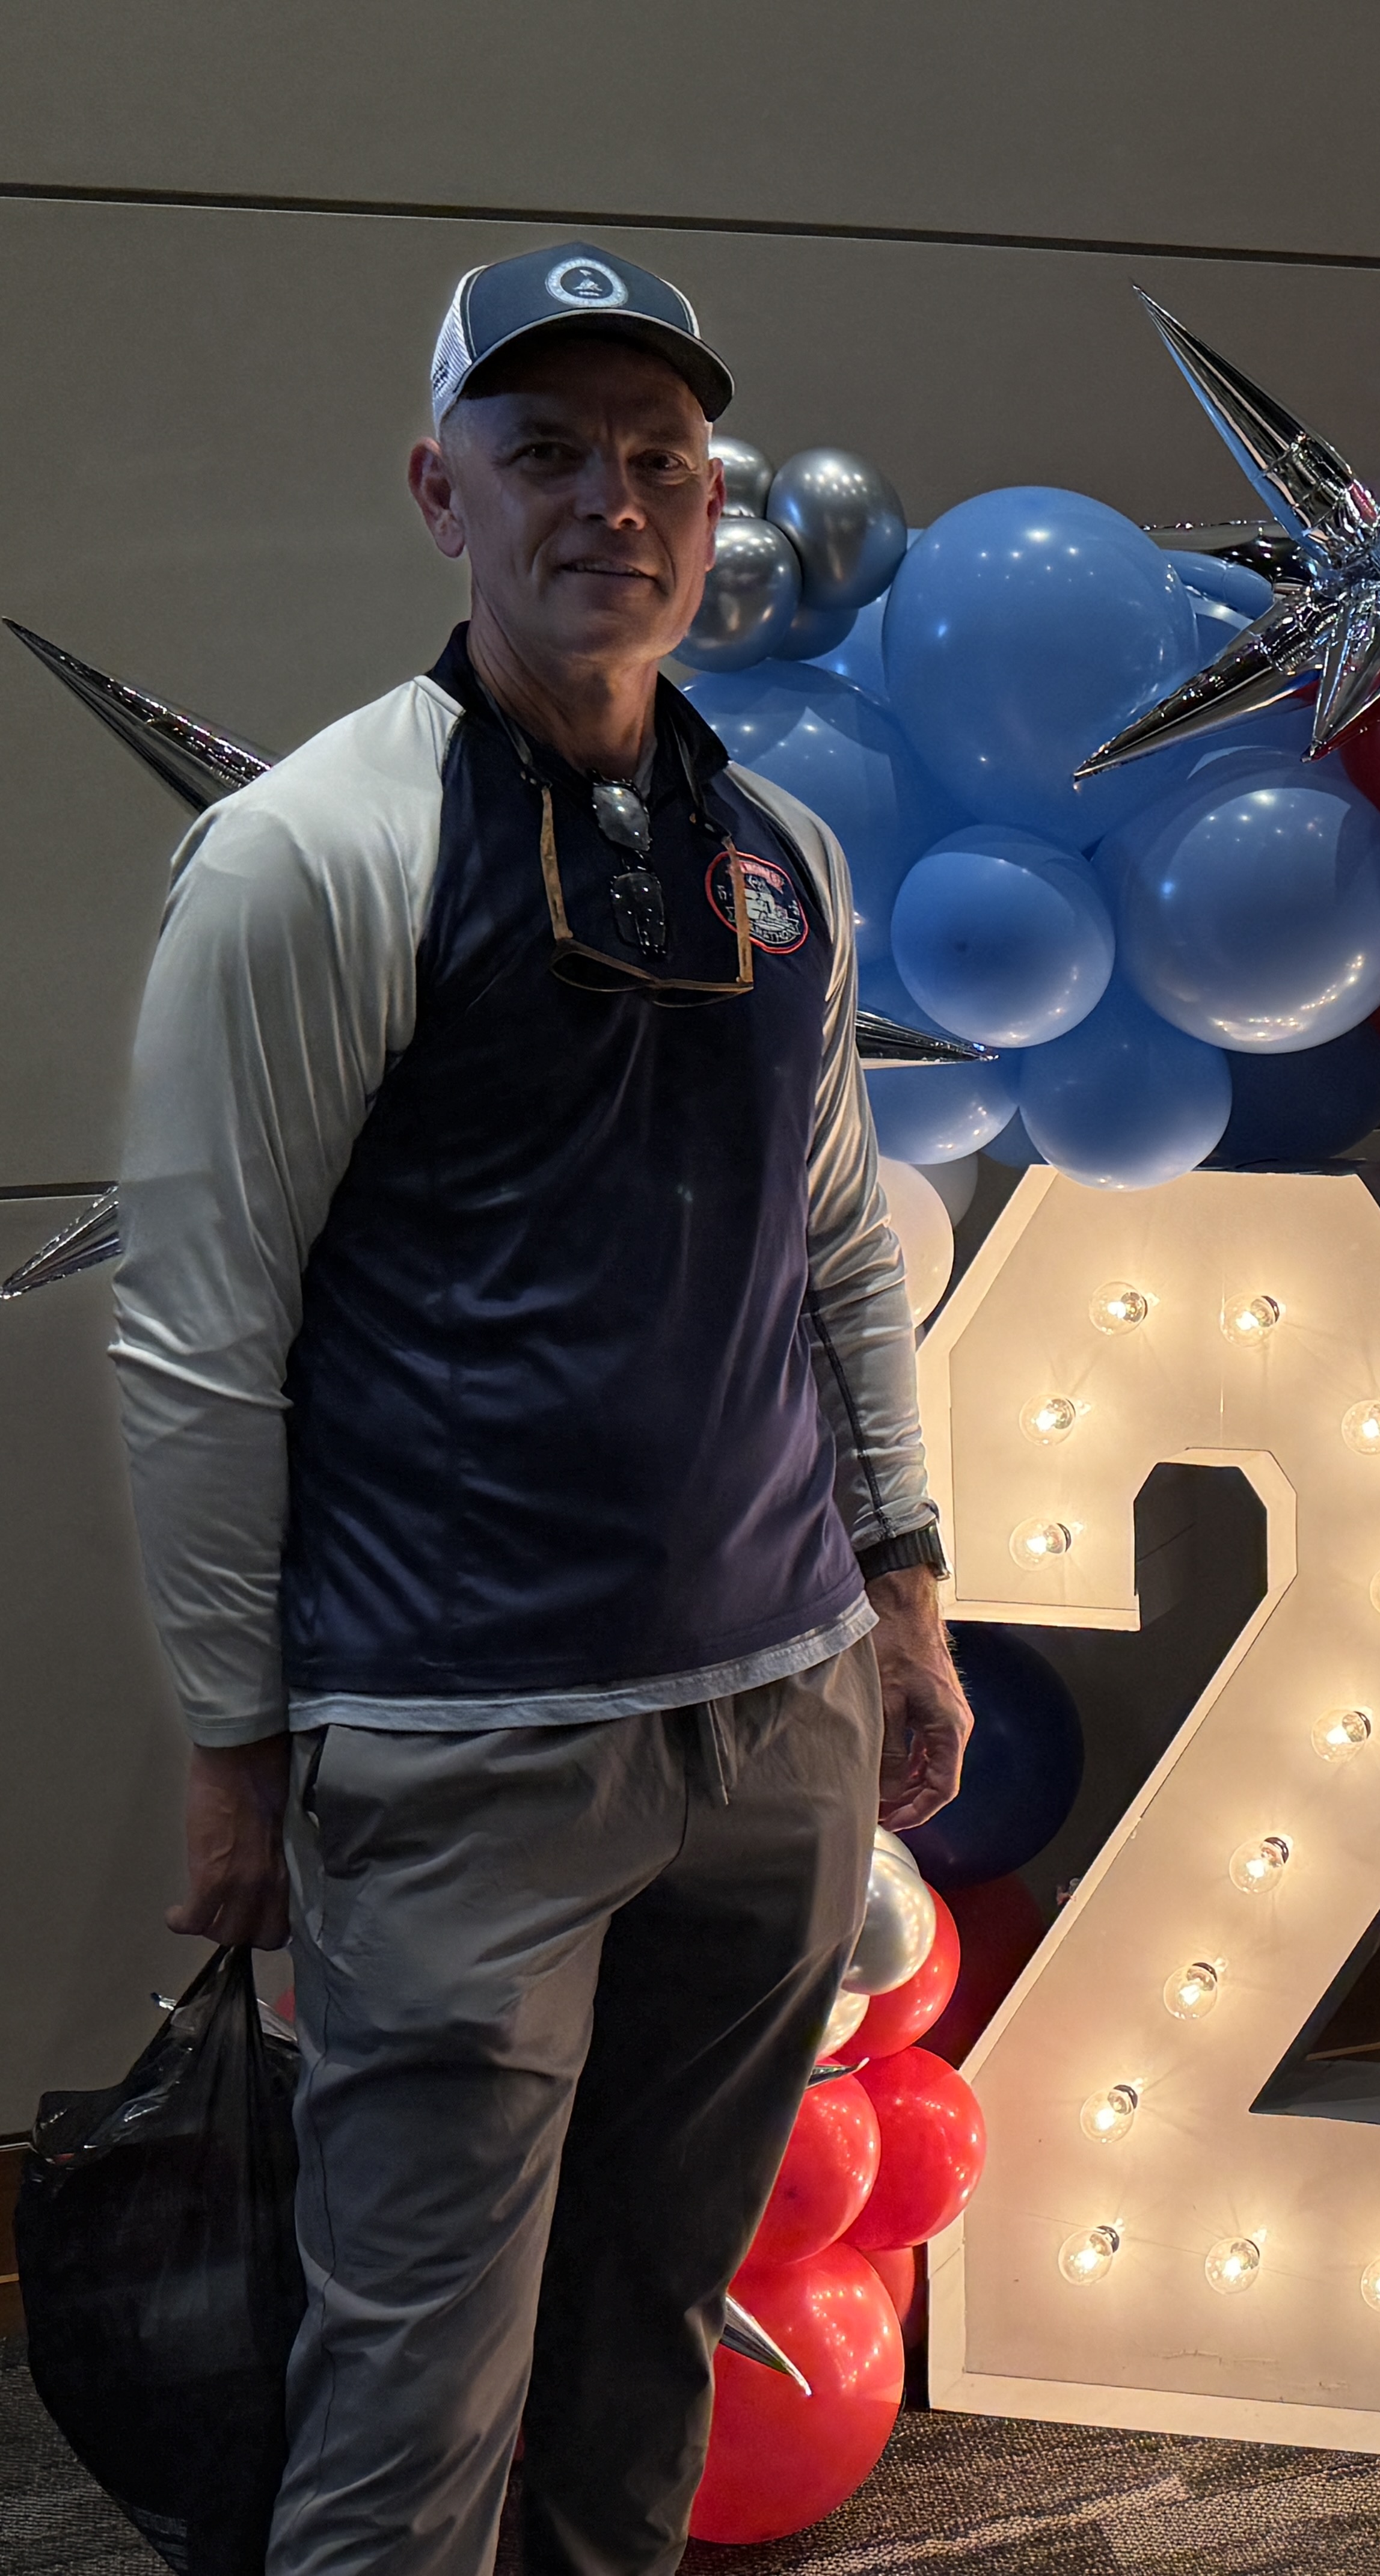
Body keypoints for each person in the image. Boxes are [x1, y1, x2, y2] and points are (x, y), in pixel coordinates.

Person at [109, 241, 972, 2576]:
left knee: (643, 2356)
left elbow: (838, 1248)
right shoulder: (314, 854)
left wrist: (903, 1593)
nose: (617, 500)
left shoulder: (779, 859)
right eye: (552, 451)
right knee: (410, 2415)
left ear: (713, 507)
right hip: (462, 1746)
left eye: (664, 460)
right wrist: (234, 1742)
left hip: (775, 1730)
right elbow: (198, 1331)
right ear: (442, 493)